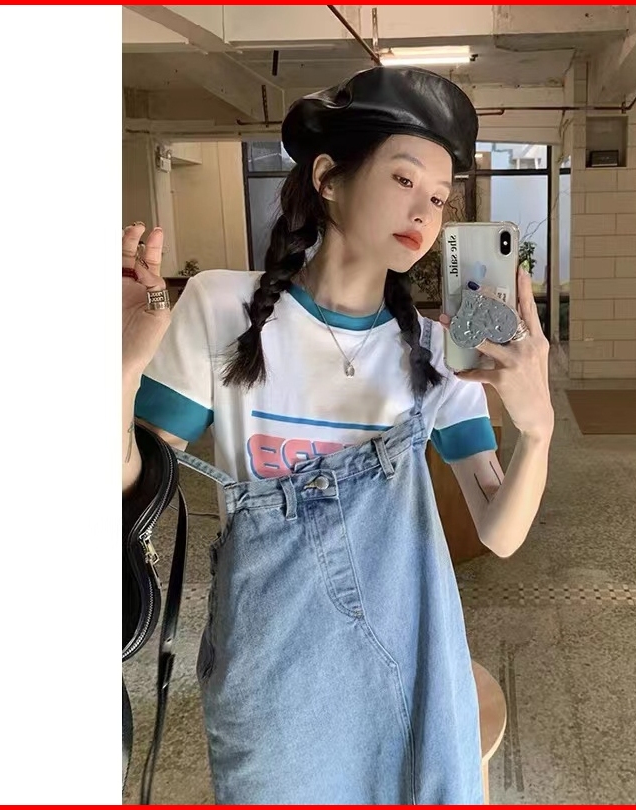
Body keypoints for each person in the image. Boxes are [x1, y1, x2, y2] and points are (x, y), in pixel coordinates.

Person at [122, 66, 554, 805]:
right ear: (327, 177)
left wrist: (537, 429)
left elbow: (500, 533)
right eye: (404, 179)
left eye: (439, 198)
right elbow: (134, 482)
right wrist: (120, 374)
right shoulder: (224, 309)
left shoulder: (439, 351)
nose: (423, 212)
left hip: (413, 664)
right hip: (272, 677)